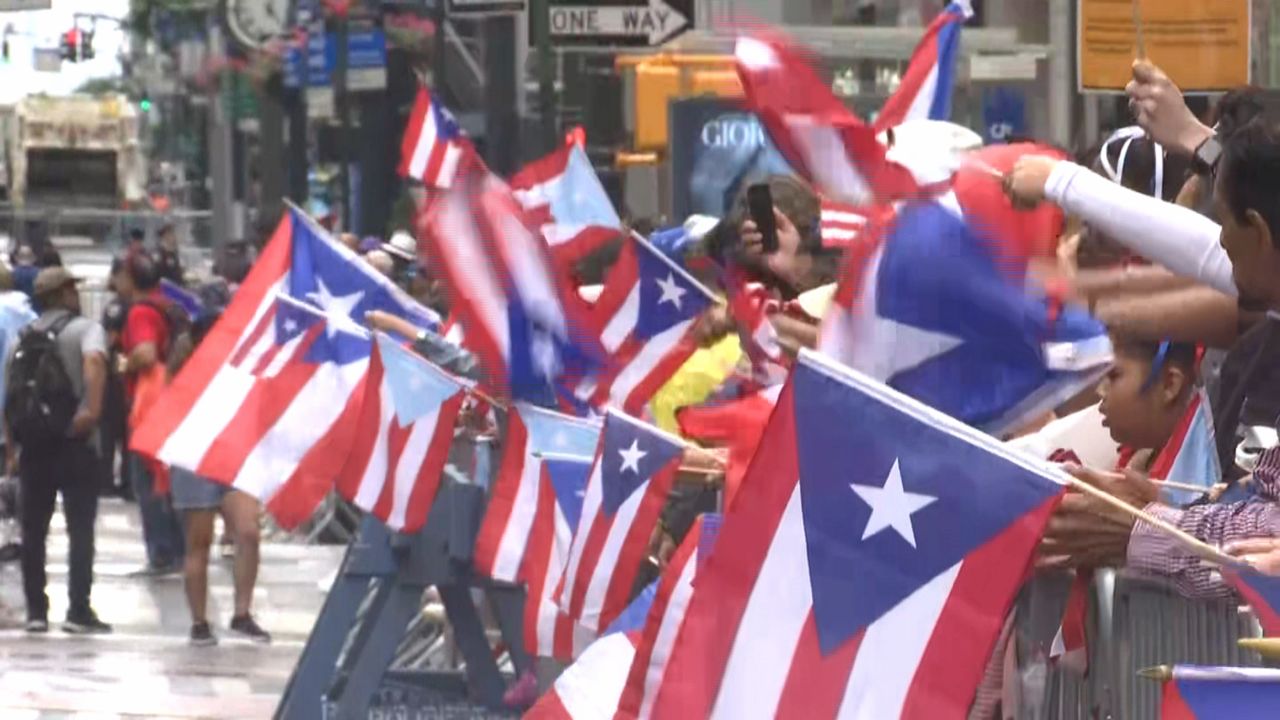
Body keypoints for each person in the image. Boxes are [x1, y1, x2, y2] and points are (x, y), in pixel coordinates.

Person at [5, 268, 111, 632]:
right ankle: (78, 610)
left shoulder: (22, 339)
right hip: (76, 442)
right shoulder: (86, 329)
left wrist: (12, 446)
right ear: (66, 292)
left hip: (34, 445)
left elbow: (10, 395)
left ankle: (36, 611)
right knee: (80, 529)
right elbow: (95, 362)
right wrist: (91, 410)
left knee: (33, 530)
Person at [169, 312, 271, 646]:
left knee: (249, 532)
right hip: (195, 460)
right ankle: (199, 621)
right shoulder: (185, 371)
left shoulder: (241, 367)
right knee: (199, 543)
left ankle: (242, 613)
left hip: (234, 457)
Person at [116, 253, 185, 575]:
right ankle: (177, 549)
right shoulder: (167, 306)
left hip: (148, 408)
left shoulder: (140, 312)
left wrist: (124, 364)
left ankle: (161, 553)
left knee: (148, 481)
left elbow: (145, 353)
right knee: (166, 479)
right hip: (172, 403)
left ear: (130, 279)